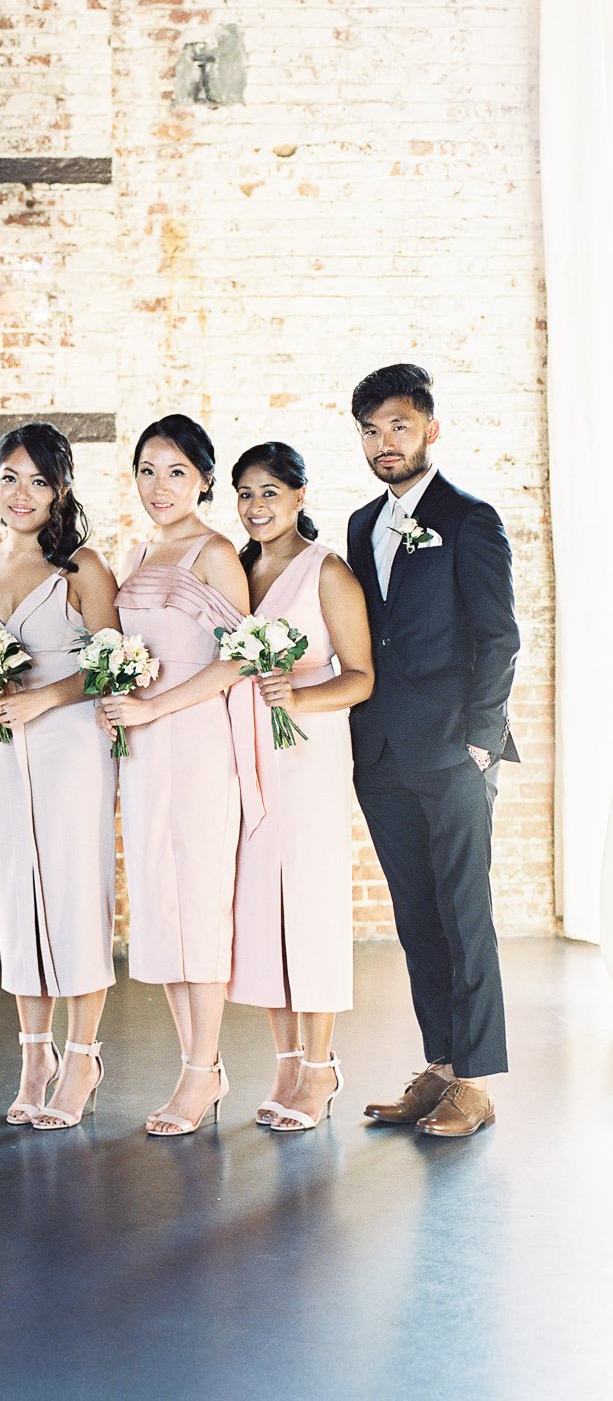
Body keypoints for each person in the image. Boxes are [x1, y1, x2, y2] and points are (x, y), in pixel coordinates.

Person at [347, 364, 519, 1137]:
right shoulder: (358, 525)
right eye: (371, 431)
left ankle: (476, 1085)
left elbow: (498, 636)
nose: (385, 443)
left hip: (453, 753)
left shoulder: (470, 518)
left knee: (463, 916)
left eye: (399, 427)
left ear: (430, 430)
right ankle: (441, 1069)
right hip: (379, 755)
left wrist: (481, 742)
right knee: (415, 917)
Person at [100, 415, 256, 1137]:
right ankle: (195, 1064)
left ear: (201, 479)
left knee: (198, 903)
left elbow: (238, 659)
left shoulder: (214, 551)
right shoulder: (135, 554)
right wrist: (115, 701)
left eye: (174, 472)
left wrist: (152, 705)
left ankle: (202, 1070)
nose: (158, 487)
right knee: (159, 907)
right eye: (146, 471)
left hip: (193, 741)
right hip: (142, 749)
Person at [0, 422, 120, 1131]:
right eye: (9, 477)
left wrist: (43, 696)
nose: (20, 493)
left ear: (59, 489)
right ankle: (34, 1057)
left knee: (72, 891)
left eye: (36, 479)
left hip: (69, 745)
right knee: (15, 895)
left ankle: (81, 1054)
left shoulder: (82, 568)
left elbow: (111, 664)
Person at [227, 442, 373, 1131]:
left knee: (309, 911)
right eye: (245, 494)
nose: (256, 507)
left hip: (307, 756)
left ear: (299, 496)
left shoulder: (327, 573)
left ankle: (319, 1066)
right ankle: (283, 1060)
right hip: (243, 757)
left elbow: (360, 675)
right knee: (258, 913)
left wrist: (297, 697)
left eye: (269, 493)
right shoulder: (232, 571)